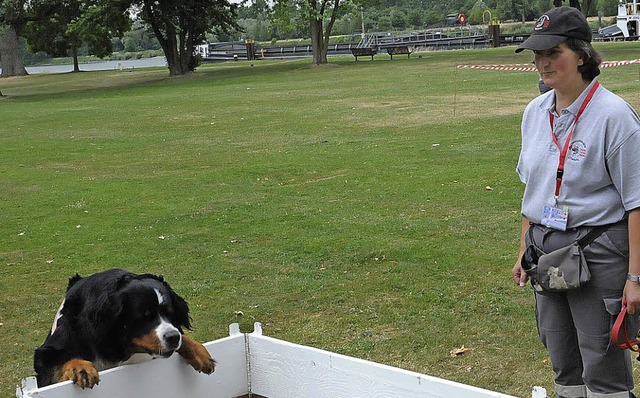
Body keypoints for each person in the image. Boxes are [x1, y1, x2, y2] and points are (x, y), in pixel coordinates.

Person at [512, 6, 640, 398]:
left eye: (554, 53)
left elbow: (636, 203)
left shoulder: (614, 115)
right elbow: (531, 191)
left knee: (601, 363)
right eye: (538, 54)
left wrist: (635, 279)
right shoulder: (535, 112)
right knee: (563, 360)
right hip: (545, 251)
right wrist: (523, 251)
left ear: (581, 55)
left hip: (599, 251)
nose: (543, 63)